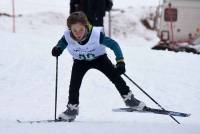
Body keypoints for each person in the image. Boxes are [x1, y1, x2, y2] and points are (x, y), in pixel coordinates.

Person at [51, 11, 146, 122]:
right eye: (74, 30)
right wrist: (58, 48)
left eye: (81, 29)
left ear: (86, 26)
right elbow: (61, 44)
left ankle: (130, 100)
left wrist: (120, 62)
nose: (78, 33)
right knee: (74, 85)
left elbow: (114, 45)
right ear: (70, 29)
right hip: (80, 62)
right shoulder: (67, 36)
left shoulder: (96, 35)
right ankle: (72, 109)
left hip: (99, 59)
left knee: (115, 76)